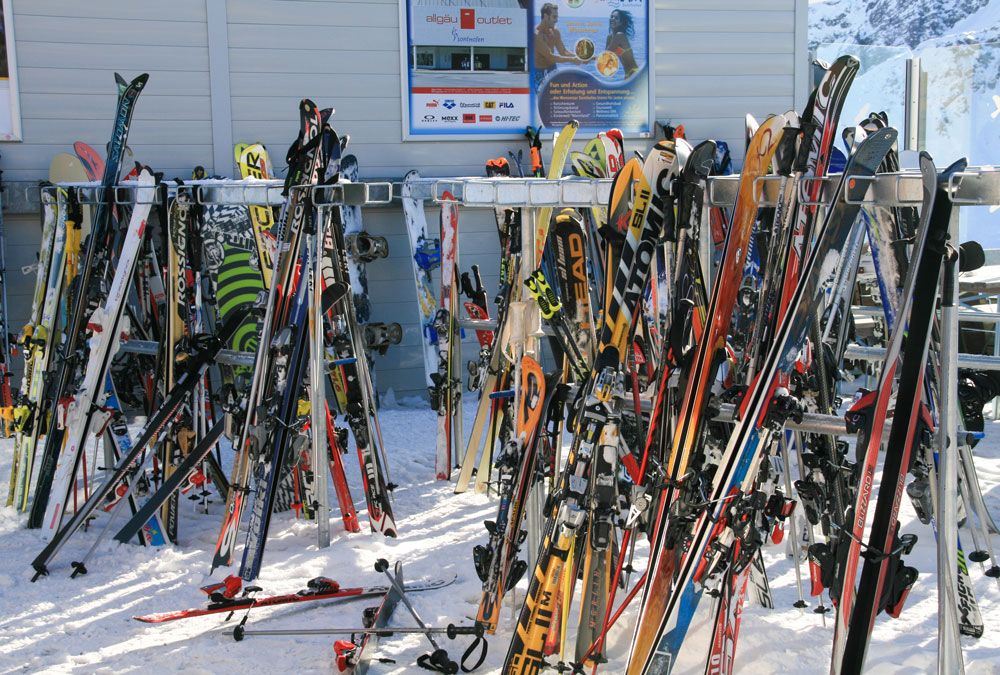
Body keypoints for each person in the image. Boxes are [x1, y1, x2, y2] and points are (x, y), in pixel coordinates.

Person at [534, 3, 586, 89]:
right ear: (546, 16)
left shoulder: (555, 31)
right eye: (554, 17)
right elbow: (550, 56)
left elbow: (563, 51)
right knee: (540, 96)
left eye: (557, 17)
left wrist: (579, 57)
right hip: (539, 73)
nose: (556, 20)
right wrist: (572, 60)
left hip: (552, 70)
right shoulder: (536, 35)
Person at [606, 9, 639, 78]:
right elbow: (605, 57)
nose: (613, 19)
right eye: (611, 17)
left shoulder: (620, 36)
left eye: (616, 18)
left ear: (620, 23)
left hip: (634, 73)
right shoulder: (609, 37)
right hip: (627, 74)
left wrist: (588, 59)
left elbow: (607, 54)